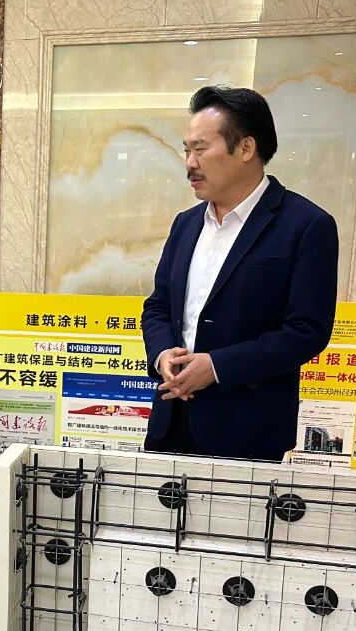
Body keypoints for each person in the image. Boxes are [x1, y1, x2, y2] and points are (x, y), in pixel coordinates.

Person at [141, 85, 338, 461]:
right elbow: (159, 307)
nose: (189, 163)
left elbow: (306, 331)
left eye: (200, 149)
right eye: (186, 150)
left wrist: (217, 367)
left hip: (247, 434)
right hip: (171, 423)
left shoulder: (306, 225)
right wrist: (163, 354)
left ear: (246, 148)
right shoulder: (186, 224)